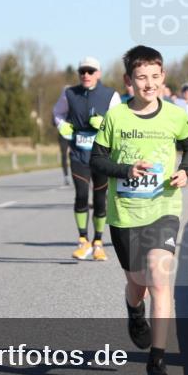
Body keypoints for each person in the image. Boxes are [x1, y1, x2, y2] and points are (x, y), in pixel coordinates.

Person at [90, 45, 188, 375]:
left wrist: (186, 170)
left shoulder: (175, 115)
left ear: (163, 77)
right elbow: (97, 160)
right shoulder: (116, 117)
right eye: (141, 77)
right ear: (129, 80)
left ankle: (157, 363)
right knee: (138, 284)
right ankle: (135, 311)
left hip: (164, 207)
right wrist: (126, 170)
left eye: (154, 76)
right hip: (125, 214)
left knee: (159, 277)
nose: (149, 84)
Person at [53, 57, 121, 260]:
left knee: (100, 200)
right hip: (79, 154)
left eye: (90, 71)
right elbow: (57, 113)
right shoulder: (69, 93)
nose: (86, 75)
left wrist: (104, 123)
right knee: (81, 195)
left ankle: (98, 243)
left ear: (98, 73)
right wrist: (62, 125)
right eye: (82, 71)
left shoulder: (110, 95)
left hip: (102, 156)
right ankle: (83, 241)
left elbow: (119, 123)